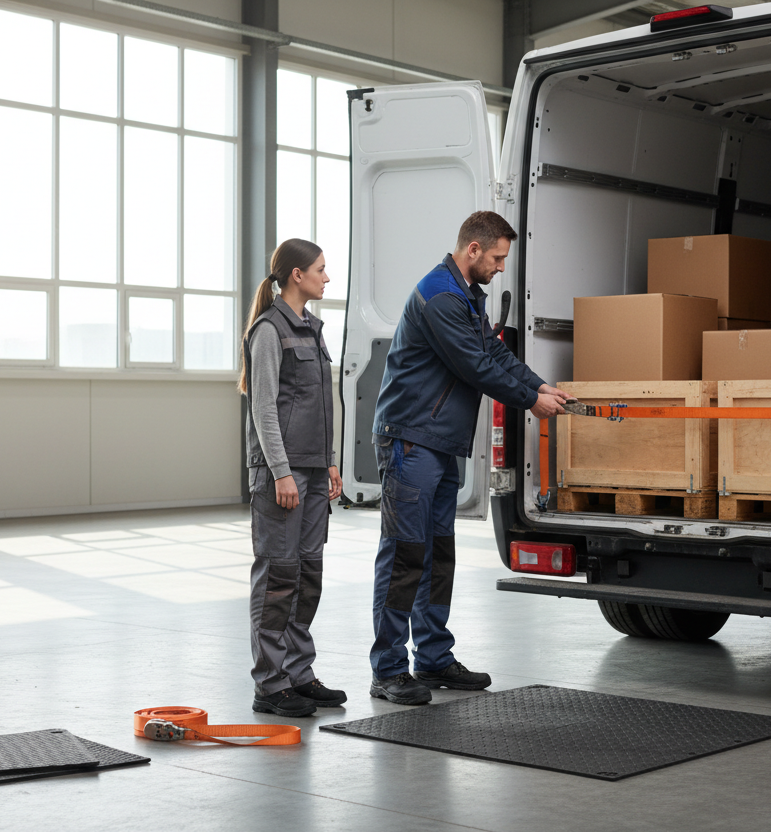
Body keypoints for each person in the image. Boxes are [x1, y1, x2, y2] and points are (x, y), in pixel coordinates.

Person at [368, 211, 569, 705]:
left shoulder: (466, 297)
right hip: (411, 442)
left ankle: (433, 658)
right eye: (498, 257)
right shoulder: (440, 296)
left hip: (439, 443)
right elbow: (473, 365)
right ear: (473, 250)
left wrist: (538, 384)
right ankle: (389, 669)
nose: (502, 266)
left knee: (437, 555)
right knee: (404, 556)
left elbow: (495, 354)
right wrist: (530, 402)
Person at [240, 239, 346, 717]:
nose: (327, 277)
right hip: (281, 475)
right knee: (278, 577)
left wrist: (327, 463)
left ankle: (299, 675)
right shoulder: (269, 330)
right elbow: (263, 408)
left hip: (311, 469)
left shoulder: (312, 328)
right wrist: (281, 472)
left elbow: (315, 404)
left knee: (307, 575)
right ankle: (270, 684)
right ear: (297, 275)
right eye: (321, 270)